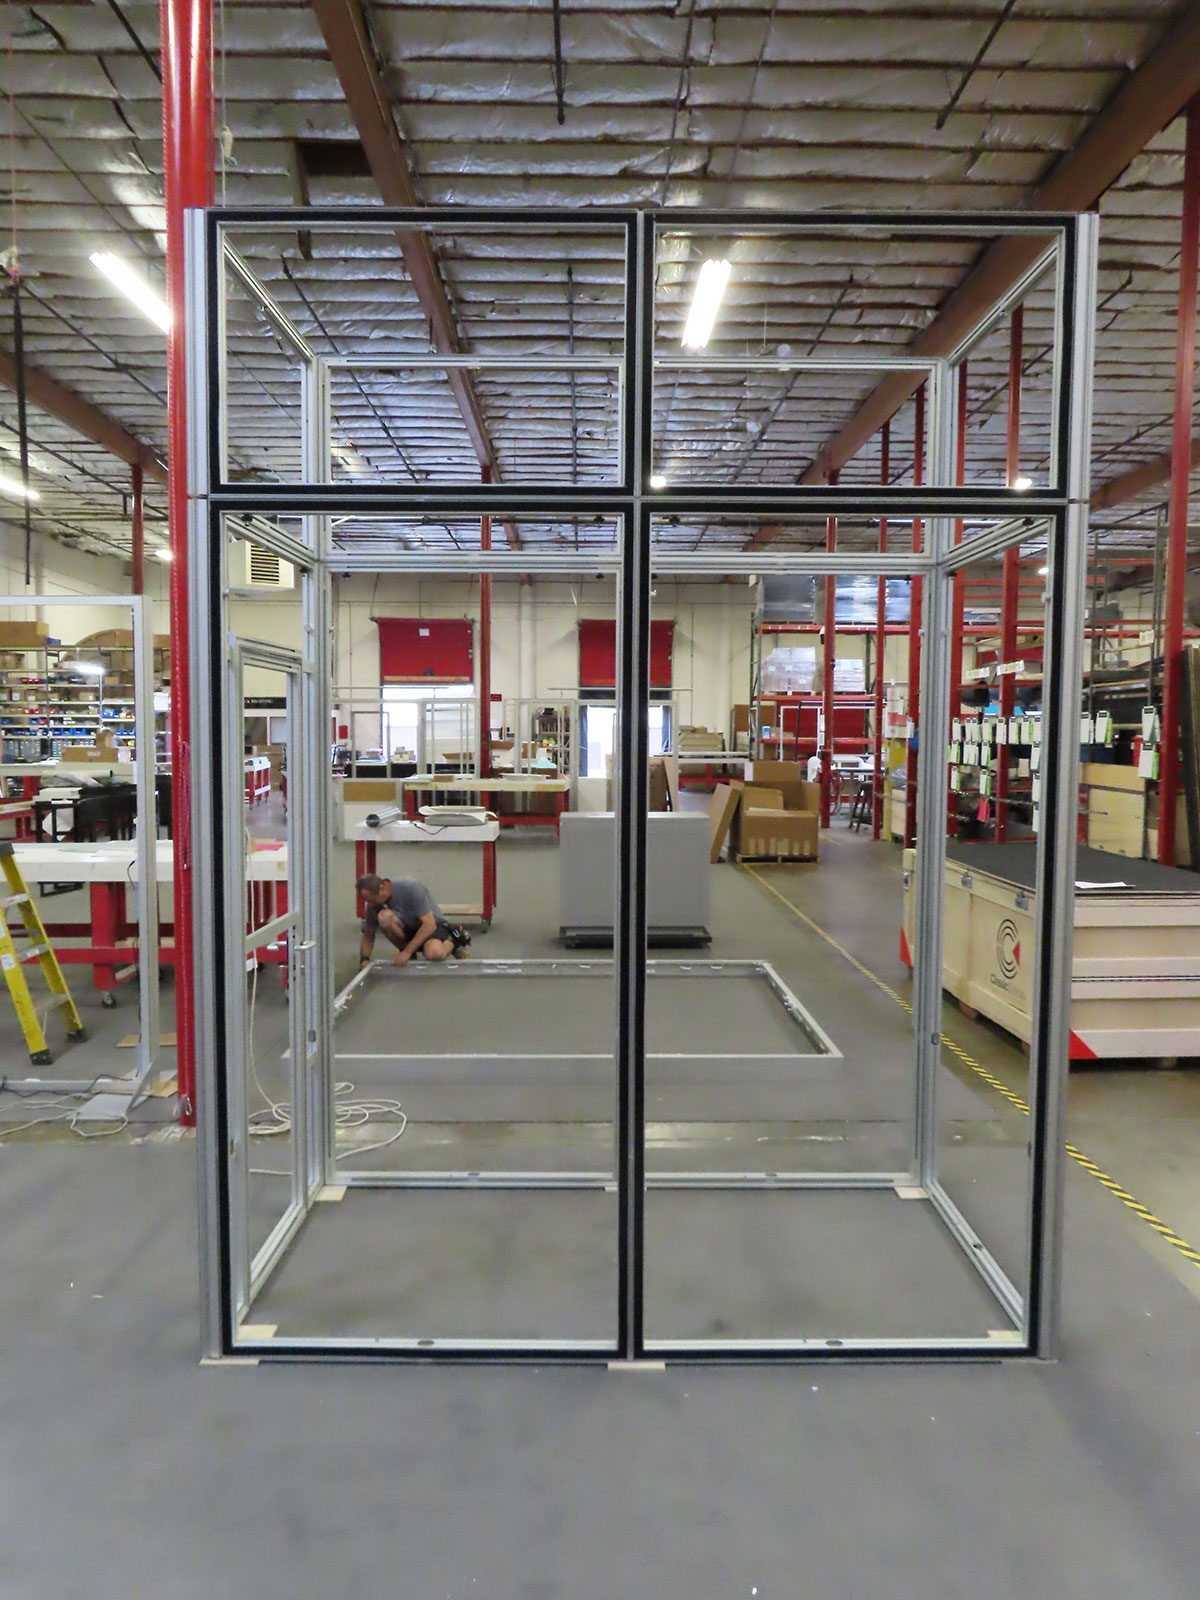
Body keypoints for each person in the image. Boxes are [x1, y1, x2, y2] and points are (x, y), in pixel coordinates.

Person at [357, 874, 471, 969]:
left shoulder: (411, 888)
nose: (370, 904)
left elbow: (429, 925)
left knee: (434, 954)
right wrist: (364, 959)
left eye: (372, 899)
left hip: (432, 925)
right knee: (383, 917)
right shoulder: (374, 903)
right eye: (368, 901)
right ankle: (407, 950)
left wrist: (406, 952)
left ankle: (454, 942)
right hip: (408, 928)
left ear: (382, 887)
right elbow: (368, 935)